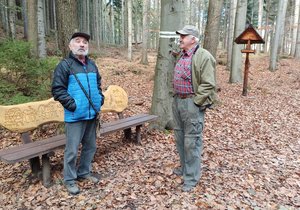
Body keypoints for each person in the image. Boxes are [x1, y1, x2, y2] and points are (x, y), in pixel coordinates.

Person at [51, 32, 104, 195]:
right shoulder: (64, 65)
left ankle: (84, 172)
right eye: (78, 41)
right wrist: (73, 105)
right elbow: (57, 89)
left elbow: (98, 84)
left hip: (92, 114)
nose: (82, 44)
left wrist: (99, 99)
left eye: (85, 42)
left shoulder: (92, 64)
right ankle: (69, 179)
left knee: (90, 146)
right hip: (74, 116)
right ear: (70, 46)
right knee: (72, 150)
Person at [172, 25, 216, 192]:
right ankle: (185, 168)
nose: (180, 38)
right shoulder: (182, 55)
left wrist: (196, 102)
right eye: (180, 35)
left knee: (192, 141)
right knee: (180, 137)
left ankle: (191, 178)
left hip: (192, 103)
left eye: (184, 36)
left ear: (193, 39)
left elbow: (209, 83)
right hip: (177, 102)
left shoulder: (204, 56)